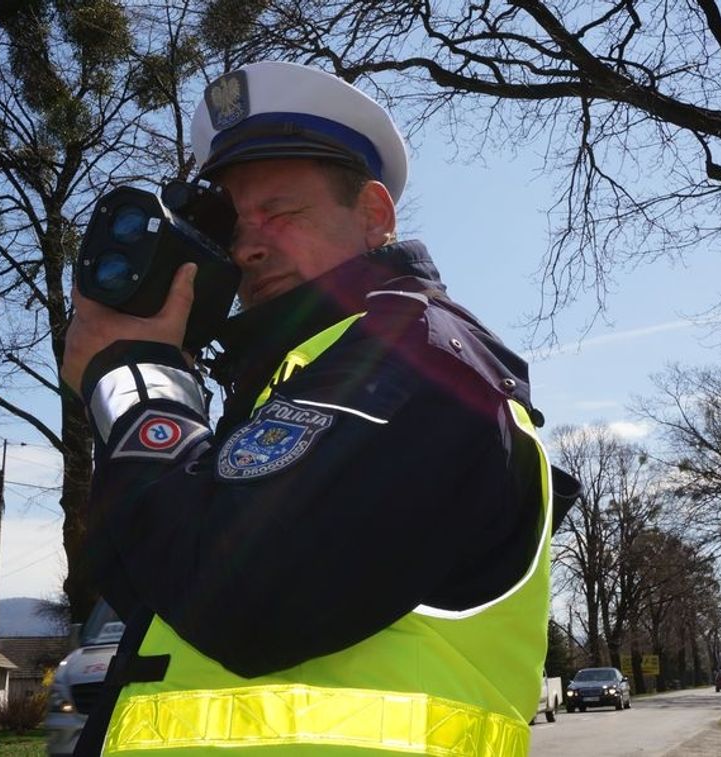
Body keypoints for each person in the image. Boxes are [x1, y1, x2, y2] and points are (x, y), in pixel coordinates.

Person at [61, 60, 577, 756]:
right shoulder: (294, 380)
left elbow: (242, 599)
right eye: (231, 220)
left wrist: (133, 379)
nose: (246, 243)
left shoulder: (420, 355)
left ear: (373, 217)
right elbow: (146, 574)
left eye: (281, 211)